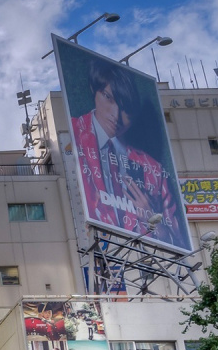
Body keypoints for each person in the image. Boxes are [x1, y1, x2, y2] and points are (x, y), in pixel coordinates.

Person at [69, 54, 185, 249]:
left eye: (126, 109)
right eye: (108, 98)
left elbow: (178, 243)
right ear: (93, 89)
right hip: (93, 254)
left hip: (141, 267)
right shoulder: (72, 136)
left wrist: (154, 222)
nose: (116, 116)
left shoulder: (153, 169)